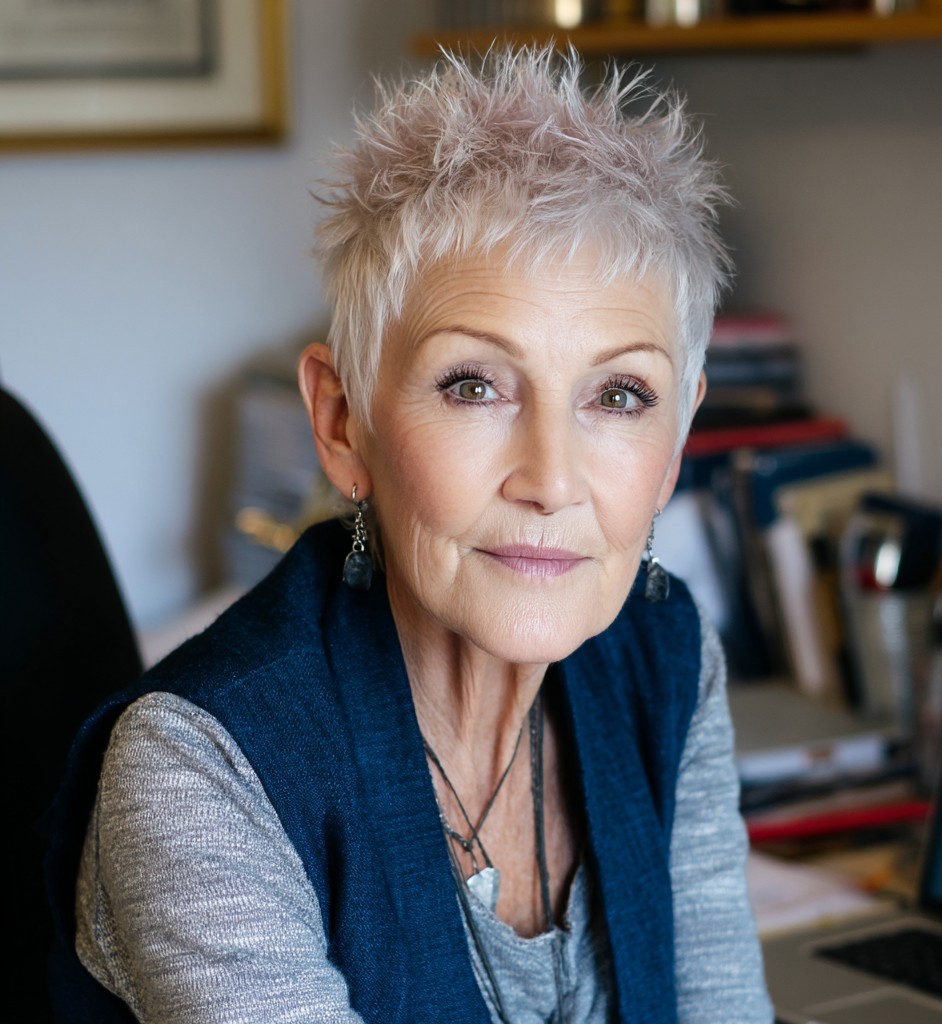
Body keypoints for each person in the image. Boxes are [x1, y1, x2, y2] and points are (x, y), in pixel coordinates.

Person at [47, 46, 773, 1024]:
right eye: (474, 384)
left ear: (678, 434)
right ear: (343, 422)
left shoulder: (668, 656)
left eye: (618, 395)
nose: (551, 478)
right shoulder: (199, 764)